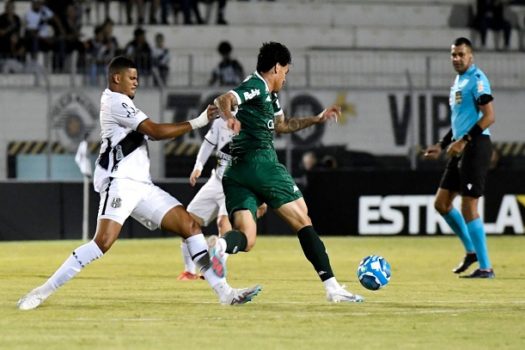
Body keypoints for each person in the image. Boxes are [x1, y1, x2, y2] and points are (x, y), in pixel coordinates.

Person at [16, 56, 261, 310]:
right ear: (116, 78)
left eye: (137, 77)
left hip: (142, 186)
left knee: (190, 226)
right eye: (131, 78)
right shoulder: (115, 101)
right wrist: (198, 122)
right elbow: (154, 131)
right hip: (121, 183)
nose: (136, 82)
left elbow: (148, 134)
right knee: (102, 243)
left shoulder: (120, 102)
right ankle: (40, 292)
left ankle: (225, 293)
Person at [210, 41, 364, 303]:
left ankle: (220, 246)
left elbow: (283, 125)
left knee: (246, 240)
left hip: (236, 171)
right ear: (276, 67)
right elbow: (224, 99)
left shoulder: (269, 94)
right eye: (286, 72)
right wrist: (229, 117)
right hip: (261, 163)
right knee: (303, 218)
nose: (285, 77)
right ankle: (333, 288)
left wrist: (317, 118)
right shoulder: (256, 85)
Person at [424, 37, 495, 278]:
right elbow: (459, 123)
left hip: (475, 147)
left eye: (461, 54)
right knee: (441, 204)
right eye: (453, 54)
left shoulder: (477, 80)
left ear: (470, 56)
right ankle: (471, 252)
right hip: (460, 147)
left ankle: (486, 267)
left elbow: (488, 117)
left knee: (468, 205)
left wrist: (464, 140)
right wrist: (442, 145)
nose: (456, 58)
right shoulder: (458, 81)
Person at [177, 117, 266, 280]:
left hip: (235, 185)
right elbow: (208, 144)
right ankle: (189, 271)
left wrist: (261, 196)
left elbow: (261, 165)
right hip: (216, 180)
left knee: (223, 223)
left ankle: (216, 266)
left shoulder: (254, 127)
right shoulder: (220, 121)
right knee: (186, 222)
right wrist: (198, 166)